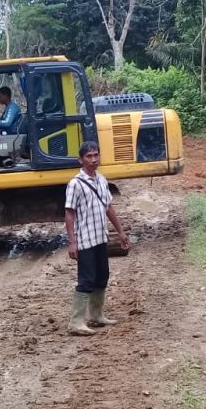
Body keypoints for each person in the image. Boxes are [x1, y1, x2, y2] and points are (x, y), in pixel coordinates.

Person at [64, 141, 131, 336]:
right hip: (85, 240)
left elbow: (109, 207)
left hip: (100, 237)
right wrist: (72, 241)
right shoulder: (75, 183)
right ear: (81, 159)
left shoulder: (102, 179)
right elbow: (69, 214)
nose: (93, 160)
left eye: (96, 155)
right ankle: (75, 322)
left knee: (102, 276)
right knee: (86, 280)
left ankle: (96, 315)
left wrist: (120, 231)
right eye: (89, 156)